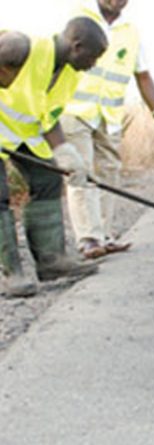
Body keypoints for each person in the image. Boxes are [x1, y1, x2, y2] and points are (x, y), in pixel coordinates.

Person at [0, 18, 108, 297]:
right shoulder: (19, 47)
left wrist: (64, 153)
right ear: (77, 45)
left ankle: (51, 262)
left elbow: (48, 116)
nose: (93, 64)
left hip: (20, 135)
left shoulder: (69, 74)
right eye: (93, 57)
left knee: (48, 180)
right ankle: (12, 274)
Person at [62, 0, 154, 259]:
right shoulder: (78, 17)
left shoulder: (130, 32)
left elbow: (143, 76)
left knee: (109, 174)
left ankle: (104, 235)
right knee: (81, 171)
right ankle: (88, 238)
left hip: (108, 116)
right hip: (74, 109)